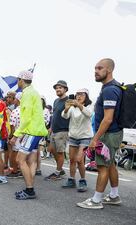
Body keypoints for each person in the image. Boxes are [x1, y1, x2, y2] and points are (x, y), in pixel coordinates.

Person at [77, 58, 123, 209]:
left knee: (102, 166)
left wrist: (94, 139)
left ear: (109, 70)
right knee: (110, 166)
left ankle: (96, 201)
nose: (96, 71)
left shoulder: (110, 89)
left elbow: (107, 119)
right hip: (114, 133)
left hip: (108, 134)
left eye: (100, 68)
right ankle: (114, 196)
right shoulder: (113, 87)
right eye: (95, 68)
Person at [9, 71, 48, 200]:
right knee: (31, 161)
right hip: (37, 130)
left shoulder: (27, 93)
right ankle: (29, 188)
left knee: (20, 160)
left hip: (32, 131)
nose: (17, 82)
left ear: (21, 80)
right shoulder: (34, 92)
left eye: (17, 79)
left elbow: (26, 119)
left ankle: (30, 190)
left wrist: (15, 136)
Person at [61, 88, 93, 192]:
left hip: (85, 136)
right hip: (73, 136)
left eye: (81, 94)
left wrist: (79, 105)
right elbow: (64, 116)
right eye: (77, 94)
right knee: (72, 160)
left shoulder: (90, 105)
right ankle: (71, 180)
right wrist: (66, 108)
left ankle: (83, 181)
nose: (78, 96)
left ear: (86, 96)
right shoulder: (72, 107)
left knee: (79, 160)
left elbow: (89, 114)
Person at [45, 80, 70, 181]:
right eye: (56, 88)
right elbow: (54, 116)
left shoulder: (68, 101)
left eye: (60, 87)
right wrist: (51, 127)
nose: (58, 89)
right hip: (54, 130)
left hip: (63, 130)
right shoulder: (56, 101)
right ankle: (60, 170)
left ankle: (58, 172)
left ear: (65, 89)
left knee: (60, 152)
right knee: (51, 149)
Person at [7, 92, 22, 178]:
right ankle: (20, 170)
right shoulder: (27, 110)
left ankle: (14, 171)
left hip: (16, 135)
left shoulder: (15, 111)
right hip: (25, 135)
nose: (14, 100)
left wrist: (11, 136)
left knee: (14, 153)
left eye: (15, 99)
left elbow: (12, 125)